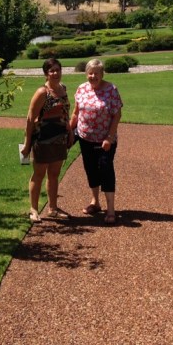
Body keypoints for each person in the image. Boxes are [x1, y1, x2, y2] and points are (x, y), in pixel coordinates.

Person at [70, 59, 123, 225]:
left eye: (96, 73)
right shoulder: (82, 88)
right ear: (87, 74)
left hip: (105, 140)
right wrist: (69, 131)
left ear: (102, 74)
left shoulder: (111, 89)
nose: (93, 76)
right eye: (90, 73)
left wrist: (109, 137)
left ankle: (111, 209)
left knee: (106, 169)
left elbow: (117, 115)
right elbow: (76, 113)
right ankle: (95, 202)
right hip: (85, 137)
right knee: (90, 169)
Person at [21, 58, 73, 223]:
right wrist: (27, 144)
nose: (55, 73)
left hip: (60, 139)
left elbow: (65, 113)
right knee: (39, 174)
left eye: (58, 70)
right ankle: (34, 209)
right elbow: (30, 119)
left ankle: (52, 208)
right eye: (52, 71)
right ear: (46, 73)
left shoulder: (63, 88)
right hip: (42, 140)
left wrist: (70, 131)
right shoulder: (42, 92)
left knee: (54, 174)